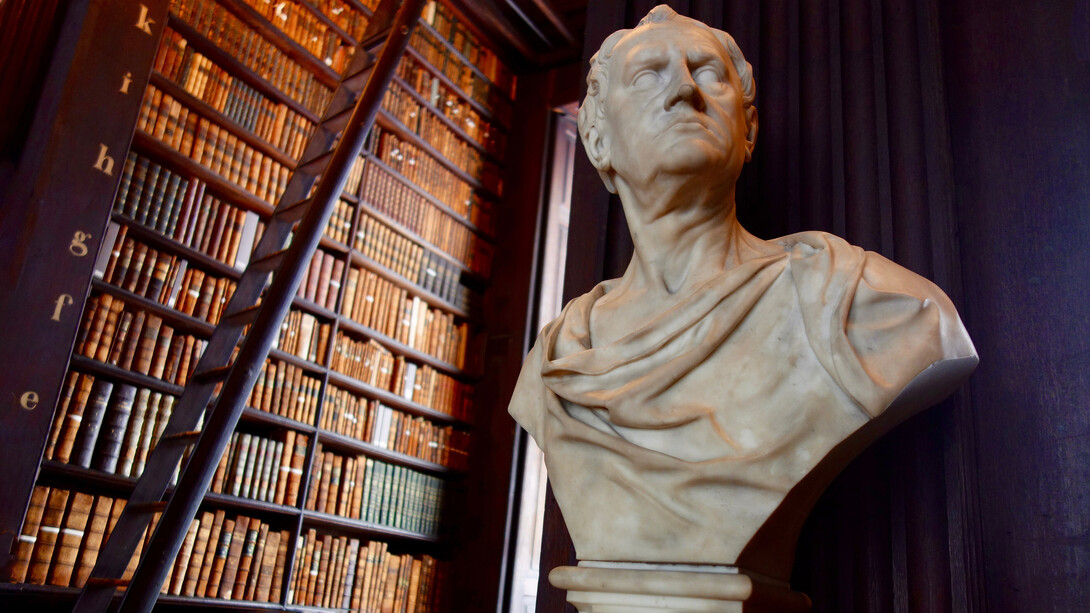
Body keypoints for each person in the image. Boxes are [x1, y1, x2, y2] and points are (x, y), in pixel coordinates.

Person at [508, 5, 977, 577]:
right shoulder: (561, 355)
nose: (684, 89)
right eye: (648, 75)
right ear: (599, 142)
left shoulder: (864, 305)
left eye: (706, 72)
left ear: (748, 129)